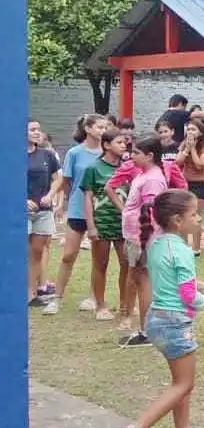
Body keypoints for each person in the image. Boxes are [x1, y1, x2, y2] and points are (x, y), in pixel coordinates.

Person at [116, 190, 204, 428]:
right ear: (178, 221)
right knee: (184, 383)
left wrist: (198, 284)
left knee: (179, 383)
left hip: (156, 320)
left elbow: (172, 278)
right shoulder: (182, 249)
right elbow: (187, 295)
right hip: (175, 322)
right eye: (194, 214)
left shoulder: (157, 243)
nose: (199, 218)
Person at [45, 114, 107, 316]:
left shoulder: (108, 152)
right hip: (78, 210)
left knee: (98, 259)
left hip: (101, 211)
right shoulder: (74, 153)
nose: (103, 130)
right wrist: (68, 203)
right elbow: (68, 181)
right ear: (88, 129)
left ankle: (93, 297)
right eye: (99, 127)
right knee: (68, 255)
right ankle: (57, 298)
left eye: (105, 127)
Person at [118, 137, 170, 347]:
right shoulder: (144, 175)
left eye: (137, 152)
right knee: (141, 280)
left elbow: (151, 211)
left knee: (144, 280)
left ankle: (147, 331)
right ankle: (146, 328)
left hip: (143, 237)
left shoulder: (153, 180)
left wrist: (144, 240)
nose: (132, 156)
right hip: (136, 235)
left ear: (150, 155)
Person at [81, 129, 128, 322]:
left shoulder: (128, 167)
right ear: (107, 145)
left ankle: (125, 303)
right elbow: (88, 198)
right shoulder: (93, 168)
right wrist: (90, 226)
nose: (124, 145)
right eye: (119, 142)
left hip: (124, 224)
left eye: (125, 142)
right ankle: (100, 305)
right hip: (101, 222)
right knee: (100, 264)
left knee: (127, 263)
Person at [26, 120, 61, 308]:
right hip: (21, 212)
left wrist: (51, 194)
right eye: (32, 130)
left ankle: (32, 293)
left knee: (37, 252)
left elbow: (57, 179)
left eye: (38, 129)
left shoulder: (47, 155)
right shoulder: (11, 155)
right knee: (20, 252)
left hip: (43, 211)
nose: (37, 133)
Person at [178, 119, 204, 254]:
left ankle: (196, 248)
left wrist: (193, 148)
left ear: (200, 132)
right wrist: (186, 148)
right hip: (184, 182)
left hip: (199, 183)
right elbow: (177, 162)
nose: (190, 132)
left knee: (195, 216)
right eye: (188, 129)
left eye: (193, 129)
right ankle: (183, 244)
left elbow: (200, 164)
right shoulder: (184, 143)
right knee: (182, 215)